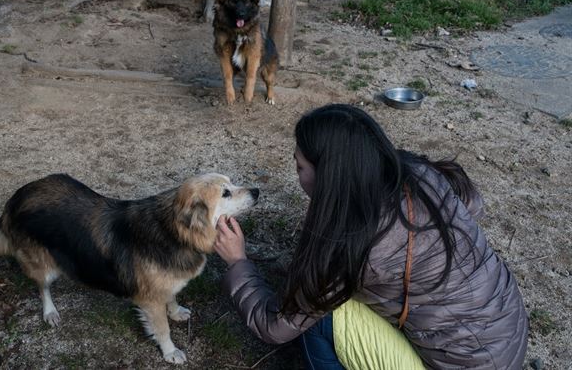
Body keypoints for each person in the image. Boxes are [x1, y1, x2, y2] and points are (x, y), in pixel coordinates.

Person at [214, 103, 528, 370]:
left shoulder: (348, 242)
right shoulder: (420, 173)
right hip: (507, 338)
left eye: (299, 167)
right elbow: (472, 205)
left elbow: (275, 327)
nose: (297, 173)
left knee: (327, 314)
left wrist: (238, 262)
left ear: (329, 176)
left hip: (464, 363)